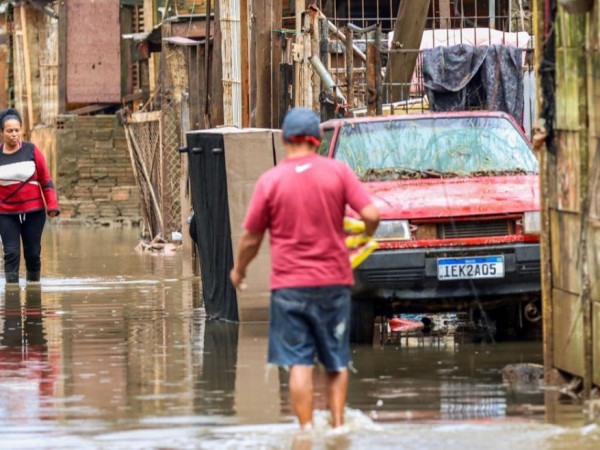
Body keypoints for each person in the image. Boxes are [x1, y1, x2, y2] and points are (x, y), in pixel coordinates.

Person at [229, 107, 380, 429]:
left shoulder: (270, 180)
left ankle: (306, 431)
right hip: (333, 284)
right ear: (318, 139)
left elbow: (250, 238)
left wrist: (239, 271)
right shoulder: (337, 172)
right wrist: (363, 237)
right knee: (335, 362)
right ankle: (338, 428)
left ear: (285, 139)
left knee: (299, 363)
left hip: (288, 288)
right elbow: (371, 215)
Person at [0, 108, 60, 284]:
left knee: (33, 253)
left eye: (17, 130)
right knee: (11, 253)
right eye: (9, 131)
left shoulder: (32, 151)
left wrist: (52, 205)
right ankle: (12, 299)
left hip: (34, 212)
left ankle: (34, 293)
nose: (14, 134)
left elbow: (46, 180)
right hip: (5, 213)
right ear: (2, 132)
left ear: (21, 130)